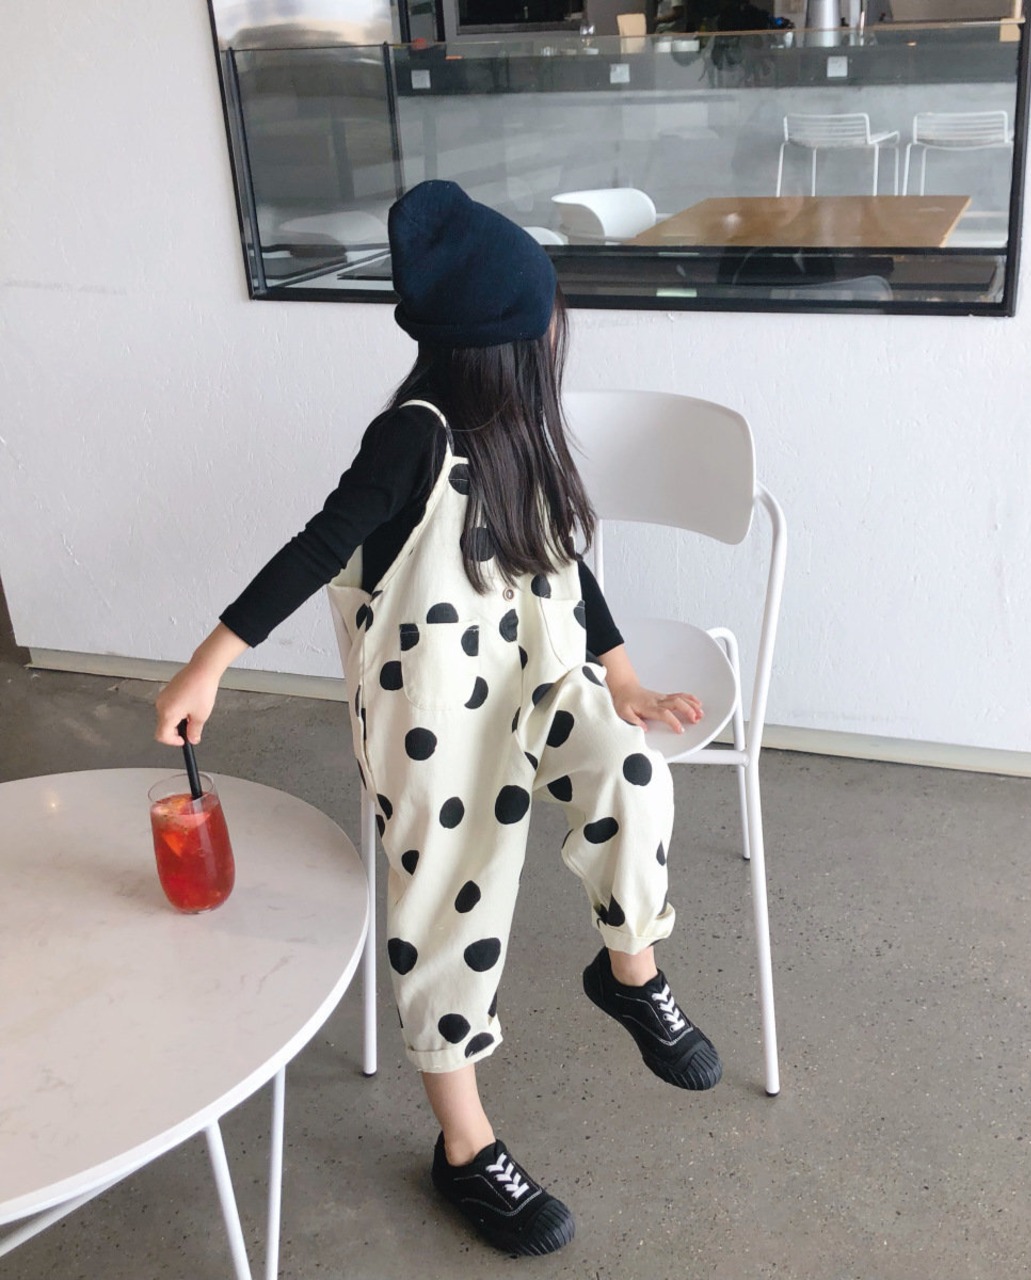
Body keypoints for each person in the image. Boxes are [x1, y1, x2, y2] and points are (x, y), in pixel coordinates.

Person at [154, 180, 722, 1258]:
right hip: (440, 720)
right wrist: (208, 664)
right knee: (454, 906)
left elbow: (566, 566)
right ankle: (465, 1147)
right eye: (542, 319)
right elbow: (318, 546)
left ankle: (630, 971)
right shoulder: (410, 438)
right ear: (499, 341)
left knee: (632, 770)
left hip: (543, 676)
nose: (554, 337)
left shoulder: (521, 431)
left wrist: (625, 681)